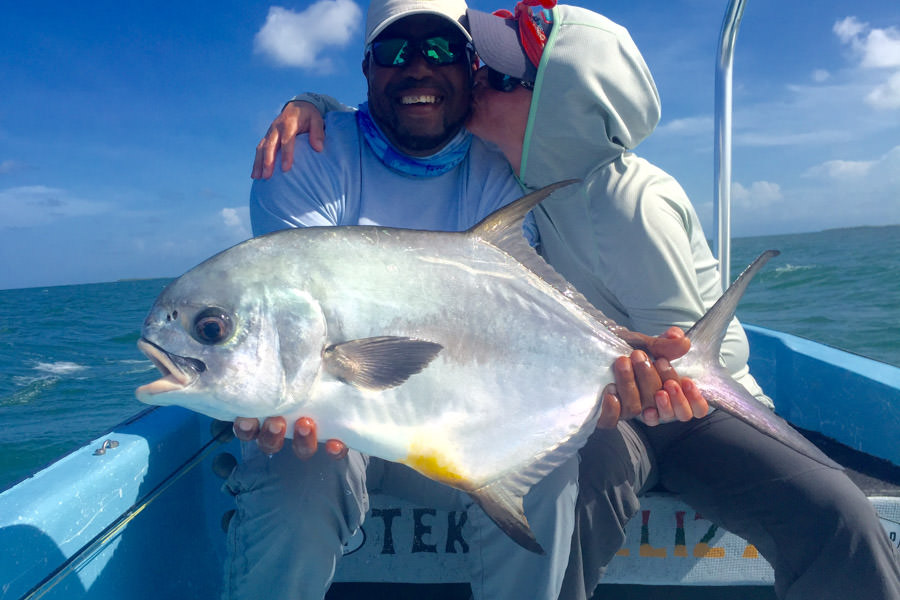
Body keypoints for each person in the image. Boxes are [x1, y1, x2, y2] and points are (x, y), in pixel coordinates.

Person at [255, 2, 900, 599]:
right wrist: (308, 100)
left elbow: (670, 368)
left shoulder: (627, 199)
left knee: (829, 510)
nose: (473, 82)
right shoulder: (507, 165)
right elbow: (387, 116)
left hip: (685, 399)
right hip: (592, 394)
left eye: (499, 79)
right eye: (481, 71)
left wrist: (652, 374)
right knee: (562, 479)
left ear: (557, 106)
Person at [227, 1, 706, 599]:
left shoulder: (503, 166)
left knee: (546, 472)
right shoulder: (302, 156)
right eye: (394, 51)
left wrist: (616, 367)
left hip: (459, 421)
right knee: (298, 465)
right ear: (367, 69)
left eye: (442, 50)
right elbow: (285, 325)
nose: (418, 68)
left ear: (473, 66)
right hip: (334, 427)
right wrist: (311, 103)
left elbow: (522, 320)